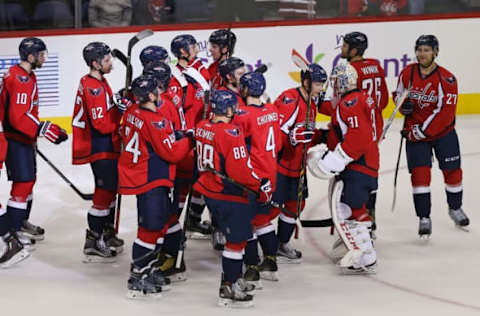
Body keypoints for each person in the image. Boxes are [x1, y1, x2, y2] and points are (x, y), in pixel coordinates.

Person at [193, 89, 271, 308]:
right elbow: (241, 170)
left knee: (234, 239)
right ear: (227, 109)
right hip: (229, 194)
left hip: (209, 192)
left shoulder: (202, 127)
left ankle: (233, 279)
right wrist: (260, 185)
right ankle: (229, 287)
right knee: (236, 242)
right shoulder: (230, 133)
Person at [118, 75, 193, 299]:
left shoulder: (132, 111)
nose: (161, 92)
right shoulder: (154, 120)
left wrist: (174, 135)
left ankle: (148, 269)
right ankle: (138, 276)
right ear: (151, 95)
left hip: (139, 176)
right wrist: (189, 140)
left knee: (156, 224)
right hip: (152, 177)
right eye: (157, 89)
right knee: (150, 228)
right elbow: (171, 152)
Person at [307, 62, 378, 273]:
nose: (334, 86)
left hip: (357, 165)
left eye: (336, 82)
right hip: (368, 163)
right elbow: (346, 127)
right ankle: (357, 247)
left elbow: (358, 138)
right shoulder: (360, 99)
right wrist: (323, 136)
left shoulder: (351, 104)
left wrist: (334, 159)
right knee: (357, 209)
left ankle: (366, 256)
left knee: (347, 209)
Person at [395, 35, 468, 238]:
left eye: (427, 50)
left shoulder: (447, 79)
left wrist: (420, 131)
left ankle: (455, 208)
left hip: (443, 135)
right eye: (419, 50)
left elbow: (445, 114)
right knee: (419, 177)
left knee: (452, 173)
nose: (422, 54)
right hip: (415, 135)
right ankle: (424, 218)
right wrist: (403, 106)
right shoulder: (408, 72)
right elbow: (398, 94)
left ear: (435, 52)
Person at [0, 37, 68, 256]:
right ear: (30, 57)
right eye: (40, 55)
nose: (43, 58)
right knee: (24, 182)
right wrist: (42, 128)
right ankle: (14, 228)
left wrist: (37, 129)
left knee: (29, 180)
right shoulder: (20, 79)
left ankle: (20, 223)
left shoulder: (24, 74)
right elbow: (18, 117)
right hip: (15, 138)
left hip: (22, 138)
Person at [72, 42, 124, 263]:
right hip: (98, 146)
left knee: (111, 189)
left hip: (106, 144)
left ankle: (106, 232)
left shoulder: (99, 81)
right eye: (106, 60)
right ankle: (93, 240)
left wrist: (118, 100)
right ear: (95, 63)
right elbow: (102, 123)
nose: (110, 63)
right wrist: (119, 110)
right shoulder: (92, 86)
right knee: (104, 192)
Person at [273, 63, 329, 263]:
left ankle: (281, 243)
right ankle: (251, 244)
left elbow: (307, 135)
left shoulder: (312, 103)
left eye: (323, 84)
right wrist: (291, 139)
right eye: (317, 83)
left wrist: (322, 136)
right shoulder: (290, 99)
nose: (321, 88)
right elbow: (274, 135)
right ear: (306, 82)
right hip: (280, 165)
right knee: (268, 208)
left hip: (297, 166)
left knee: (295, 204)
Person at [233, 72, 282, 287]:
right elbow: (278, 145)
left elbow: (236, 146)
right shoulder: (272, 110)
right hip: (270, 173)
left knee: (247, 223)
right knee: (263, 219)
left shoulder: (242, 115)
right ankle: (271, 260)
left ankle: (251, 266)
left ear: (244, 90)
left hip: (252, 175)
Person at [340, 31, 389, 234]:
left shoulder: (349, 70)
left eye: (344, 46)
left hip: (358, 128)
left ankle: (357, 219)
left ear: (354, 50)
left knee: (355, 174)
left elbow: (343, 103)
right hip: (374, 126)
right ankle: (371, 213)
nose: (341, 49)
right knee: (371, 170)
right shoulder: (376, 66)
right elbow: (384, 100)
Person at [169, 34, 213, 243]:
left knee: (202, 183)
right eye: (192, 46)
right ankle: (173, 228)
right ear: (182, 52)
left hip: (202, 138)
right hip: (187, 141)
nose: (197, 48)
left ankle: (192, 221)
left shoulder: (200, 69)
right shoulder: (176, 76)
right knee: (183, 187)